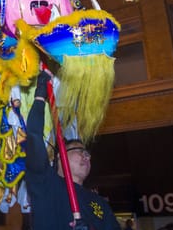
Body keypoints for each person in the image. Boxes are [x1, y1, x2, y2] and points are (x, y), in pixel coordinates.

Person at [25, 70, 120, 230]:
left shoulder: (99, 202)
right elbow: (34, 137)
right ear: (60, 157)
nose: (87, 157)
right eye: (80, 151)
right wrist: (41, 93)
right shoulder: (46, 184)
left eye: (87, 154)